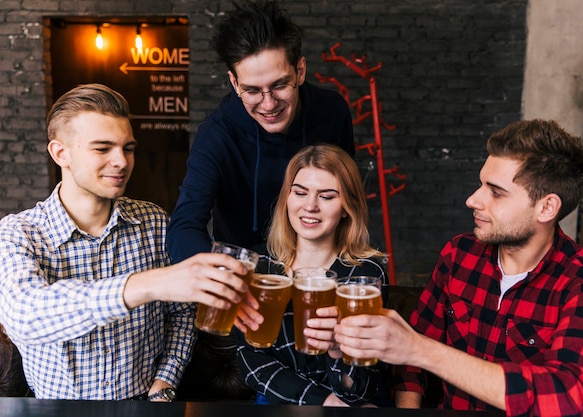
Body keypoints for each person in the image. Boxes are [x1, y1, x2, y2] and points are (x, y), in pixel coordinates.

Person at [333, 119, 583, 416]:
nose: (472, 200)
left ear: (546, 208)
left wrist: (419, 348)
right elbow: (409, 368)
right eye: (481, 184)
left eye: (496, 192)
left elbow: (566, 398)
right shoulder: (459, 254)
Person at [0, 83, 252, 401]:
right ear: (60, 153)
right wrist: (145, 285)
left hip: (142, 402)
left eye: (128, 148)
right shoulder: (18, 232)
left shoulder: (154, 221)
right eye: (103, 148)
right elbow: (24, 318)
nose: (121, 161)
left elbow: (183, 314)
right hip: (58, 408)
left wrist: (166, 379)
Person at [166, 0, 355, 263]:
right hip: (243, 276)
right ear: (234, 82)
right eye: (253, 90)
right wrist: (220, 276)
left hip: (318, 270)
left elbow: (347, 197)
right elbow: (183, 228)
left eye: (279, 86)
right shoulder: (218, 134)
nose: (268, 104)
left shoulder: (332, 113)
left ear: (300, 71)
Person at [235, 144, 390, 406]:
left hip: (349, 401)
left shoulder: (365, 274)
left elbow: (362, 385)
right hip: (280, 398)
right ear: (287, 198)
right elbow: (252, 362)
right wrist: (322, 400)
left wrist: (337, 351)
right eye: (300, 192)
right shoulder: (259, 265)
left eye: (327, 197)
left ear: (346, 207)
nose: (310, 206)